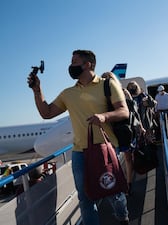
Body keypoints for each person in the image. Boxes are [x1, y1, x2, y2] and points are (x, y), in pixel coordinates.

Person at [27, 50, 130, 225]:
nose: (70, 66)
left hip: (106, 147)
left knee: (113, 193)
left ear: (88, 64)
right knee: (85, 197)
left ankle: (123, 217)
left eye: (74, 61)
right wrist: (37, 91)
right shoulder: (68, 93)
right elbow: (47, 113)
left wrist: (104, 117)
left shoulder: (107, 84)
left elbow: (124, 111)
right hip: (79, 152)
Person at [102, 72, 144, 194]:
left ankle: (123, 183)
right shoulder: (122, 92)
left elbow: (133, 111)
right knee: (126, 159)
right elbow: (134, 111)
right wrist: (140, 126)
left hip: (114, 130)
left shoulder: (104, 95)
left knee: (116, 160)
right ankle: (127, 183)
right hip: (122, 129)